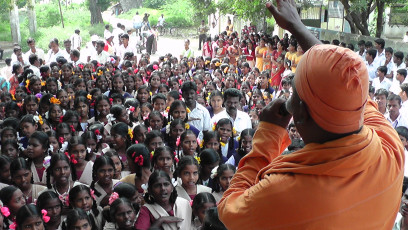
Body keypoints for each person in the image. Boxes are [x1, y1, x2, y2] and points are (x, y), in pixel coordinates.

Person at [218, 1, 404, 229]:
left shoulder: (281, 193)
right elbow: (342, 76)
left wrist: (268, 134)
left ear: (301, 114)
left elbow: (229, 209)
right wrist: (297, 27)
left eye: (293, 94)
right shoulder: (390, 148)